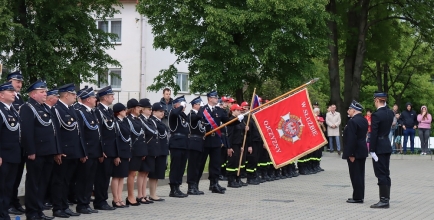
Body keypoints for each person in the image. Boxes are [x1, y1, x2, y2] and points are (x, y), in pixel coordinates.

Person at [21, 79, 60, 220]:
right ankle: (31, 213)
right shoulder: (28, 108)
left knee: (43, 183)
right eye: (42, 92)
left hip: (48, 151)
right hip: (36, 152)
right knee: (34, 183)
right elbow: (26, 132)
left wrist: (55, 150)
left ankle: (39, 211)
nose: (45, 94)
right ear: (33, 94)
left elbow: (51, 131)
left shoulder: (43, 107)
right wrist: (30, 151)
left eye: (45, 91)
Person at [50, 83, 86, 218]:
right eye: (73, 94)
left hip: (73, 152)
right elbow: (56, 133)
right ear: (66, 95)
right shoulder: (56, 109)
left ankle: (65, 206)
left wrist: (81, 151)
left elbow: (78, 132)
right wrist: (58, 151)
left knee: (67, 181)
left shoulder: (72, 109)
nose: (75, 96)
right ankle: (57, 207)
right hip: (63, 152)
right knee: (58, 181)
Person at [198, 91, 243, 194]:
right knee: (200, 163)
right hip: (205, 140)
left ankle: (214, 184)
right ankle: (195, 185)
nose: (216, 99)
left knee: (215, 164)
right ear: (209, 98)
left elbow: (227, 122)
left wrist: (237, 119)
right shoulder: (202, 110)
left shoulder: (219, 110)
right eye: (215, 97)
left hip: (216, 141)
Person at [74, 87, 101, 214]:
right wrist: (83, 152)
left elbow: (97, 133)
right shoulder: (80, 112)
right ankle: (81, 204)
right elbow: (81, 135)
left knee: (90, 179)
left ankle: (86, 203)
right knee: (83, 180)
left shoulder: (91, 112)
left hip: (94, 151)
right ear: (88, 99)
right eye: (94, 97)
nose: (96, 99)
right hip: (87, 151)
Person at [0, 82, 22, 220]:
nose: (14, 93)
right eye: (10, 91)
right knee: (1, 186)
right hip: (3, 155)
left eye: (14, 91)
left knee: (9, 186)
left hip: (14, 154)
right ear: (1, 95)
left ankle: (4, 212)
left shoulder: (12, 109)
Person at [93, 86, 117, 210]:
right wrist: (101, 150)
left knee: (106, 176)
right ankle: (99, 201)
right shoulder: (98, 111)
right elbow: (99, 133)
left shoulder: (108, 111)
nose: (113, 97)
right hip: (104, 150)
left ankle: (103, 199)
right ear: (105, 97)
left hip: (111, 149)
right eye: (111, 95)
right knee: (101, 177)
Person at [369, 91, 394, 209]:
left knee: (381, 174)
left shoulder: (377, 115)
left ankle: (384, 200)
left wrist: (372, 149)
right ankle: (386, 198)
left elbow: (374, 133)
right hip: (386, 145)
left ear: (377, 100)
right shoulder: (390, 112)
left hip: (378, 146)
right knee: (386, 173)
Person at [7, 71, 26, 216]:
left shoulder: (20, 98)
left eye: (20, 82)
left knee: (17, 176)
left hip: (19, 144)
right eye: (16, 81)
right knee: (8, 178)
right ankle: (7, 204)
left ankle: (14, 201)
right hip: (9, 145)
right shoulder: (6, 99)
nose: (19, 84)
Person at [342, 101, 368, 204]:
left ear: (354, 110)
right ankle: (359, 195)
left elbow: (352, 139)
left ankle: (357, 197)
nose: (348, 111)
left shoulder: (352, 121)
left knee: (355, 175)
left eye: (349, 110)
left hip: (355, 152)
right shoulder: (363, 120)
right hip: (362, 150)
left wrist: (351, 154)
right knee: (360, 175)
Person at [125, 99, 146, 207]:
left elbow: (141, 136)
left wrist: (143, 151)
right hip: (132, 150)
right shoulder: (128, 120)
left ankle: (133, 195)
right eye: (138, 107)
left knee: (134, 173)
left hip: (138, 150)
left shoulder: (137, 120)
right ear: (133, 108)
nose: (140, 109)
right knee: (131, 174)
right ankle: (130, 196)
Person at [168, 95, 189, 198]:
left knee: (181, 167)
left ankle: (178, 186)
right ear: (176, 104)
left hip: (184, 143)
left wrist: (182, 110)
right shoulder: (173, 112)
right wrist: (180, 107)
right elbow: (175, 113)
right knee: (175, 167)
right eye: (182, 103)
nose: (184, 105)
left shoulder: (182, 115)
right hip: (176, 143)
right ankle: (173, 189)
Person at [137, 98, 157, 203]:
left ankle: (144, 194)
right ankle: (140, 195)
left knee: (146, 173)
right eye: (148, 109)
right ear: (143, 109)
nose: (150, 111)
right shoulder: (141, 119)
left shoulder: (148, 120)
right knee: (142, 172)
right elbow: (152, 131)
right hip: (145, 148)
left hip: (150, 149)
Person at [111, 103, 131, 208]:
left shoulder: (124, 121)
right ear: (119, 112)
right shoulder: (116, 122)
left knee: (122, 176)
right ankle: (115, 199)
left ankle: (120, 197)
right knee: (116, 176)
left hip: (125, 151)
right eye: (123, 110)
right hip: (119, 152)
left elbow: (127, 137)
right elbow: (116, 139)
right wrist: (117, 155)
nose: (125, 112)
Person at [148, 102, 169, 201]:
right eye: (160, 111)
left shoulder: (160, 121)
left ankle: (154, 193)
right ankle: (152, 194)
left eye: (163, 111)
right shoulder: (152, 121)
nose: (162, 113)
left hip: (162, 149)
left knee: (158, 173)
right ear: (154, 112)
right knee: (154, 174)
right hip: (157, 150)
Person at [226, 104, 249, 188]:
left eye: (240, 110)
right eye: (238, 110)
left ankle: (237, 179)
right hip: (233, 144)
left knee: (239, 162)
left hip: (239, 144)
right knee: (232, 162)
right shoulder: (231, 121)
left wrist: (245, 128)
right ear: (233, 111)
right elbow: (230, 135)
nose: (240, 111)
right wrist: (229, 147)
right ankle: (230, 181)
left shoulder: (239, 120)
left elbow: (242, 133)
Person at [186, 97, 206, 195]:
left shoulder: (199, 115)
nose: (201, 106)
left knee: (198, 165)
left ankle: (195, 185)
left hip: (200, 142)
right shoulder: (191, 114)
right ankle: (190, 186)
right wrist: (202, 109)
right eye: (199, 104)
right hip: (193, 141)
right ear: (194, 105)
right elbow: (196, 118)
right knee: (193, 165)